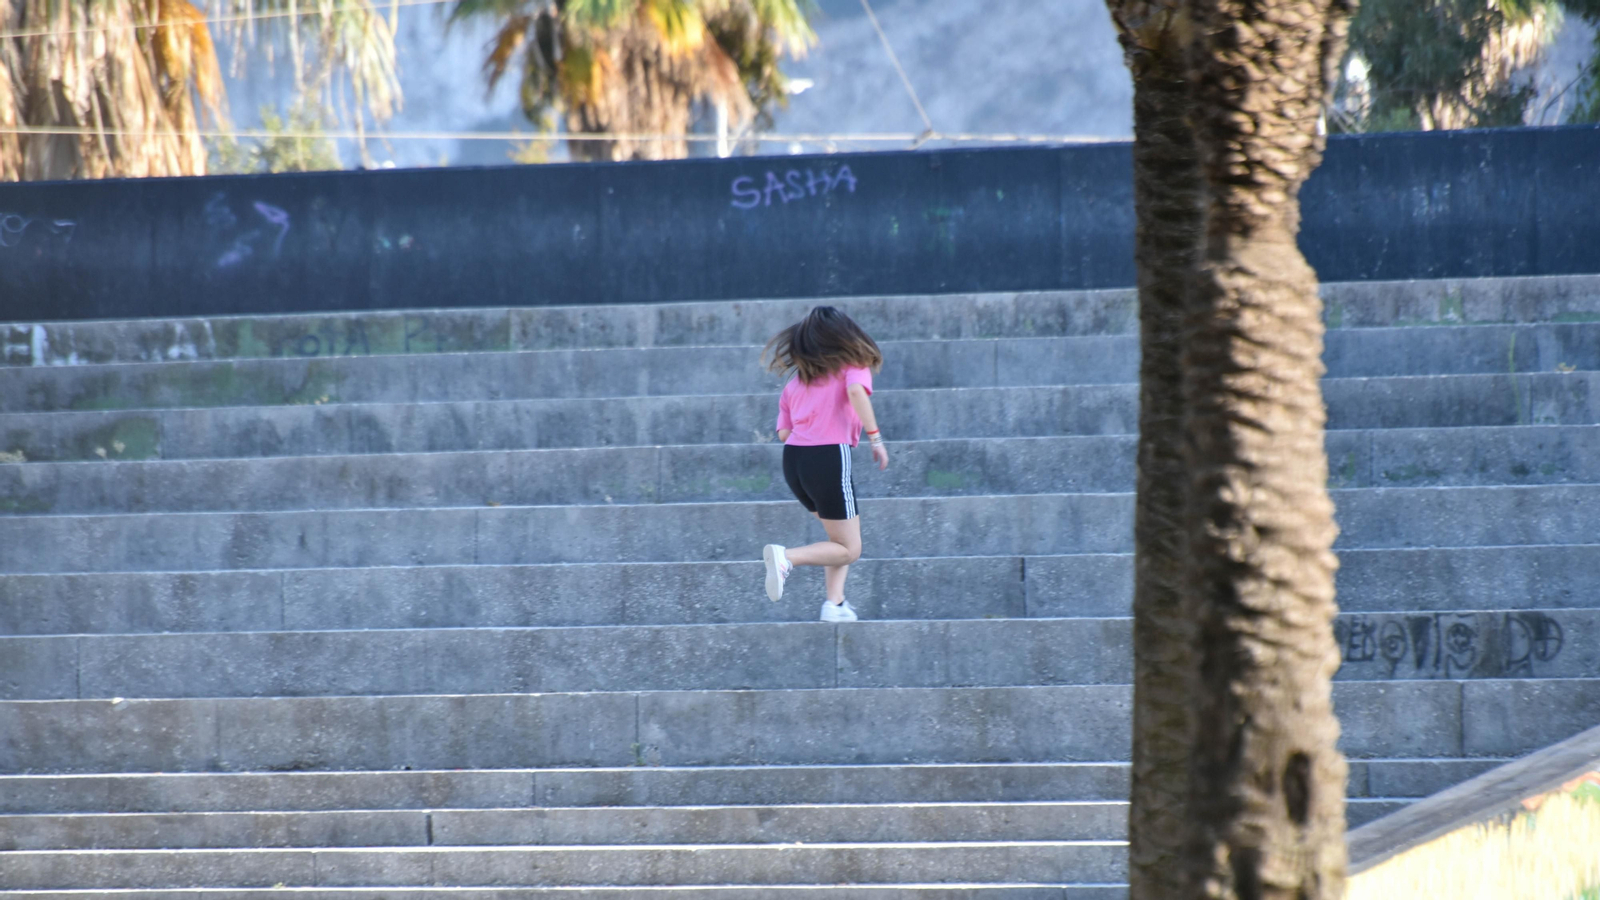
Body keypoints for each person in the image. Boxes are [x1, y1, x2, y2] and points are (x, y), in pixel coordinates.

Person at [760, 306, 890, 623]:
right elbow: (856, 392)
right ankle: (786, 558)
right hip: (828, 456)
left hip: (794, 462)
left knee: (840, 539)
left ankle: (835, 603)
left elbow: (784, 433)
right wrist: (875, 438)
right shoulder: (852, 366)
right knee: (850, 549)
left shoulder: (796, 383)